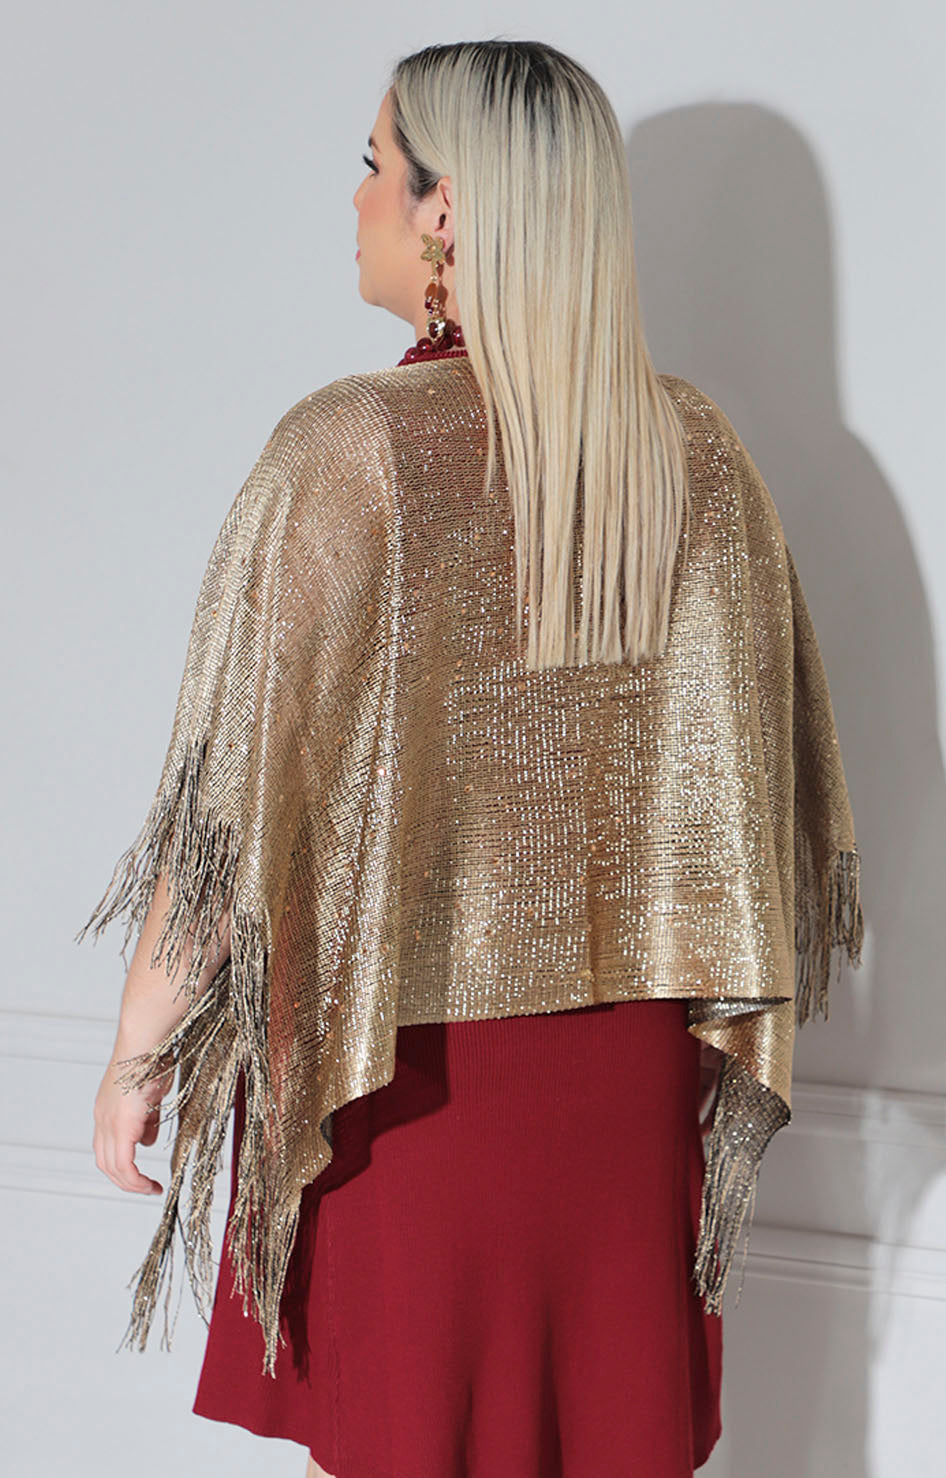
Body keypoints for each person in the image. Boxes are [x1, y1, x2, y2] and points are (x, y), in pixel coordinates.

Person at [80, 39, 863, 1478]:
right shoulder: (696, 457)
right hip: (625, 1099)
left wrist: (140, 1053)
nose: (357, 199)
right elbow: (761, 805)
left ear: (444, 209)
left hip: (411, 1088)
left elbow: (232, 811)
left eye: (374, 165)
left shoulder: (354, 451)